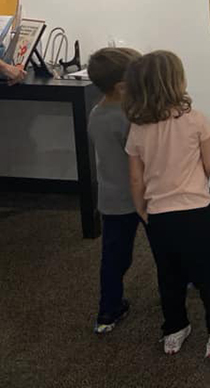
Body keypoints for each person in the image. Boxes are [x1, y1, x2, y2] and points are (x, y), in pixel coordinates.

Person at [124, 51, 210, 358]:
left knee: (169, 274)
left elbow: (136, 179)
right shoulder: (195, 120)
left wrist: (142, 208)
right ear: (176, 82)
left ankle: (174, 330)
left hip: (159, 215)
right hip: (195, 212)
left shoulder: (138, 128)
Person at [86, 47, 142, 333]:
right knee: (166, 244)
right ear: (122, 86)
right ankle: (187, 279)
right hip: (138, 197)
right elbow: (140, 156)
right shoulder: (127, 118)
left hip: (109, 199)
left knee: (113, 257)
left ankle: (108, 311)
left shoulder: (96, 113)